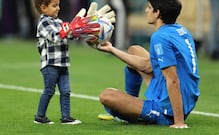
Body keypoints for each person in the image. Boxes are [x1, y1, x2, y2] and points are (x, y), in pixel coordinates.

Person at [94, 0, 200, 128]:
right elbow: (148, 66)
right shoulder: (181, 30)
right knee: (134, 50)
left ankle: (133, 112)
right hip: (187, 96)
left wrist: (179, 122)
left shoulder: (160, 37)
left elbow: (172, 80)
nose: (146, 10)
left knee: (107, 96)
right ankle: (130, 102)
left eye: (149, 7)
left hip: (169, 109)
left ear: (157, 13)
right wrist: (112, 49)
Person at [33, 0, 99, 124]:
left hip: (63, 64)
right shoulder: (43, 23)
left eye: (58, 5)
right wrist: (67, 30)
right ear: (43, 7)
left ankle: (66, 117)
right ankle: (40, 116)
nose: (58, 8)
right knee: (49, 90)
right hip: (50, 65)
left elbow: (69, 36)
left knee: (66, 91)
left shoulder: (59, 22)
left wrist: (79, 30)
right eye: (54, 6)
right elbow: (55, 37)